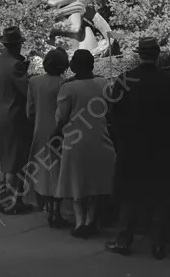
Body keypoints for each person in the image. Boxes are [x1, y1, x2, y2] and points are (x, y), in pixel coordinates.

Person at [105, 37, 170, 258]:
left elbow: (113, 115)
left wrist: (124, 137)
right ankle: (158, 244)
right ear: (158, 55)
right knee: (161, 196)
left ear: (138, 54)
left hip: (131, 148)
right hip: (162, 149)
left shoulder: (125, 80)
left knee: (129, 195)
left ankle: (123, 240)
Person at [54, 48, 115, 239]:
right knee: (95, 183)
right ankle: (91, 220)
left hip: (75, 140)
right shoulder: (103, 83)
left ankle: (80, 222)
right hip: (99, 137)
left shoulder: (68, 88)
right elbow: (111, 108)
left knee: (77, 183)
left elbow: (61, 116)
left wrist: (57, 129)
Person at [0, 25, 33, 215]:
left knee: (4, 159)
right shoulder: (15, 66)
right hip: (14, 118)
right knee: (14, 161)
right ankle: (10, 202)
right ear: (17, 46)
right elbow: (26, 91)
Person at [27, 47, 69, 227]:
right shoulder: (64, 84)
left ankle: (48, 208)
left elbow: (30, 111)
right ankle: (56, 211)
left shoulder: (34, 82)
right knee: (58, 172)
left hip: (39, 131)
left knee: (43, 172)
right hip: (59, 132)